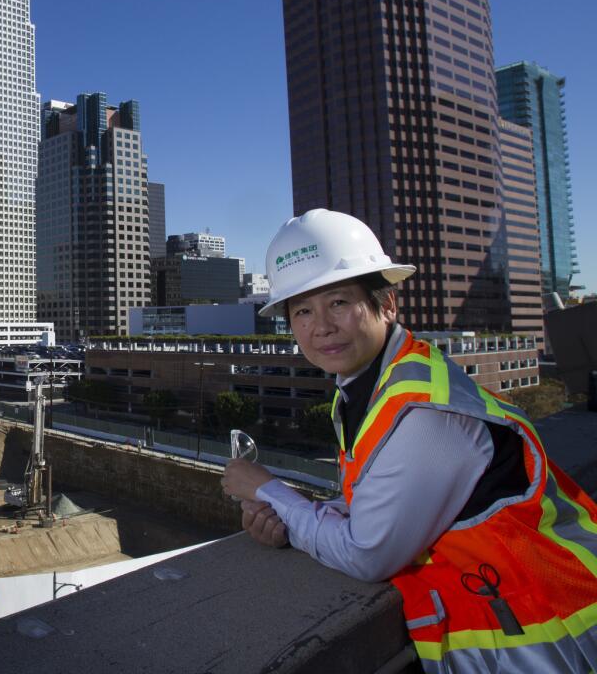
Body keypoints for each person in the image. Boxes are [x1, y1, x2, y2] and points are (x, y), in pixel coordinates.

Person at [222, 208, 597, 673]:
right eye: (302, 310)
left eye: (338, 302)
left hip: (551, 643)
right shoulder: (375, 386)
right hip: (509, 621)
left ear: (388, 303)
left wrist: (265, 488)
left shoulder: (423, 412)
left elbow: (367, 554)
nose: (320, 326)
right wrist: (295, 516)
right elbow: (383, 498)